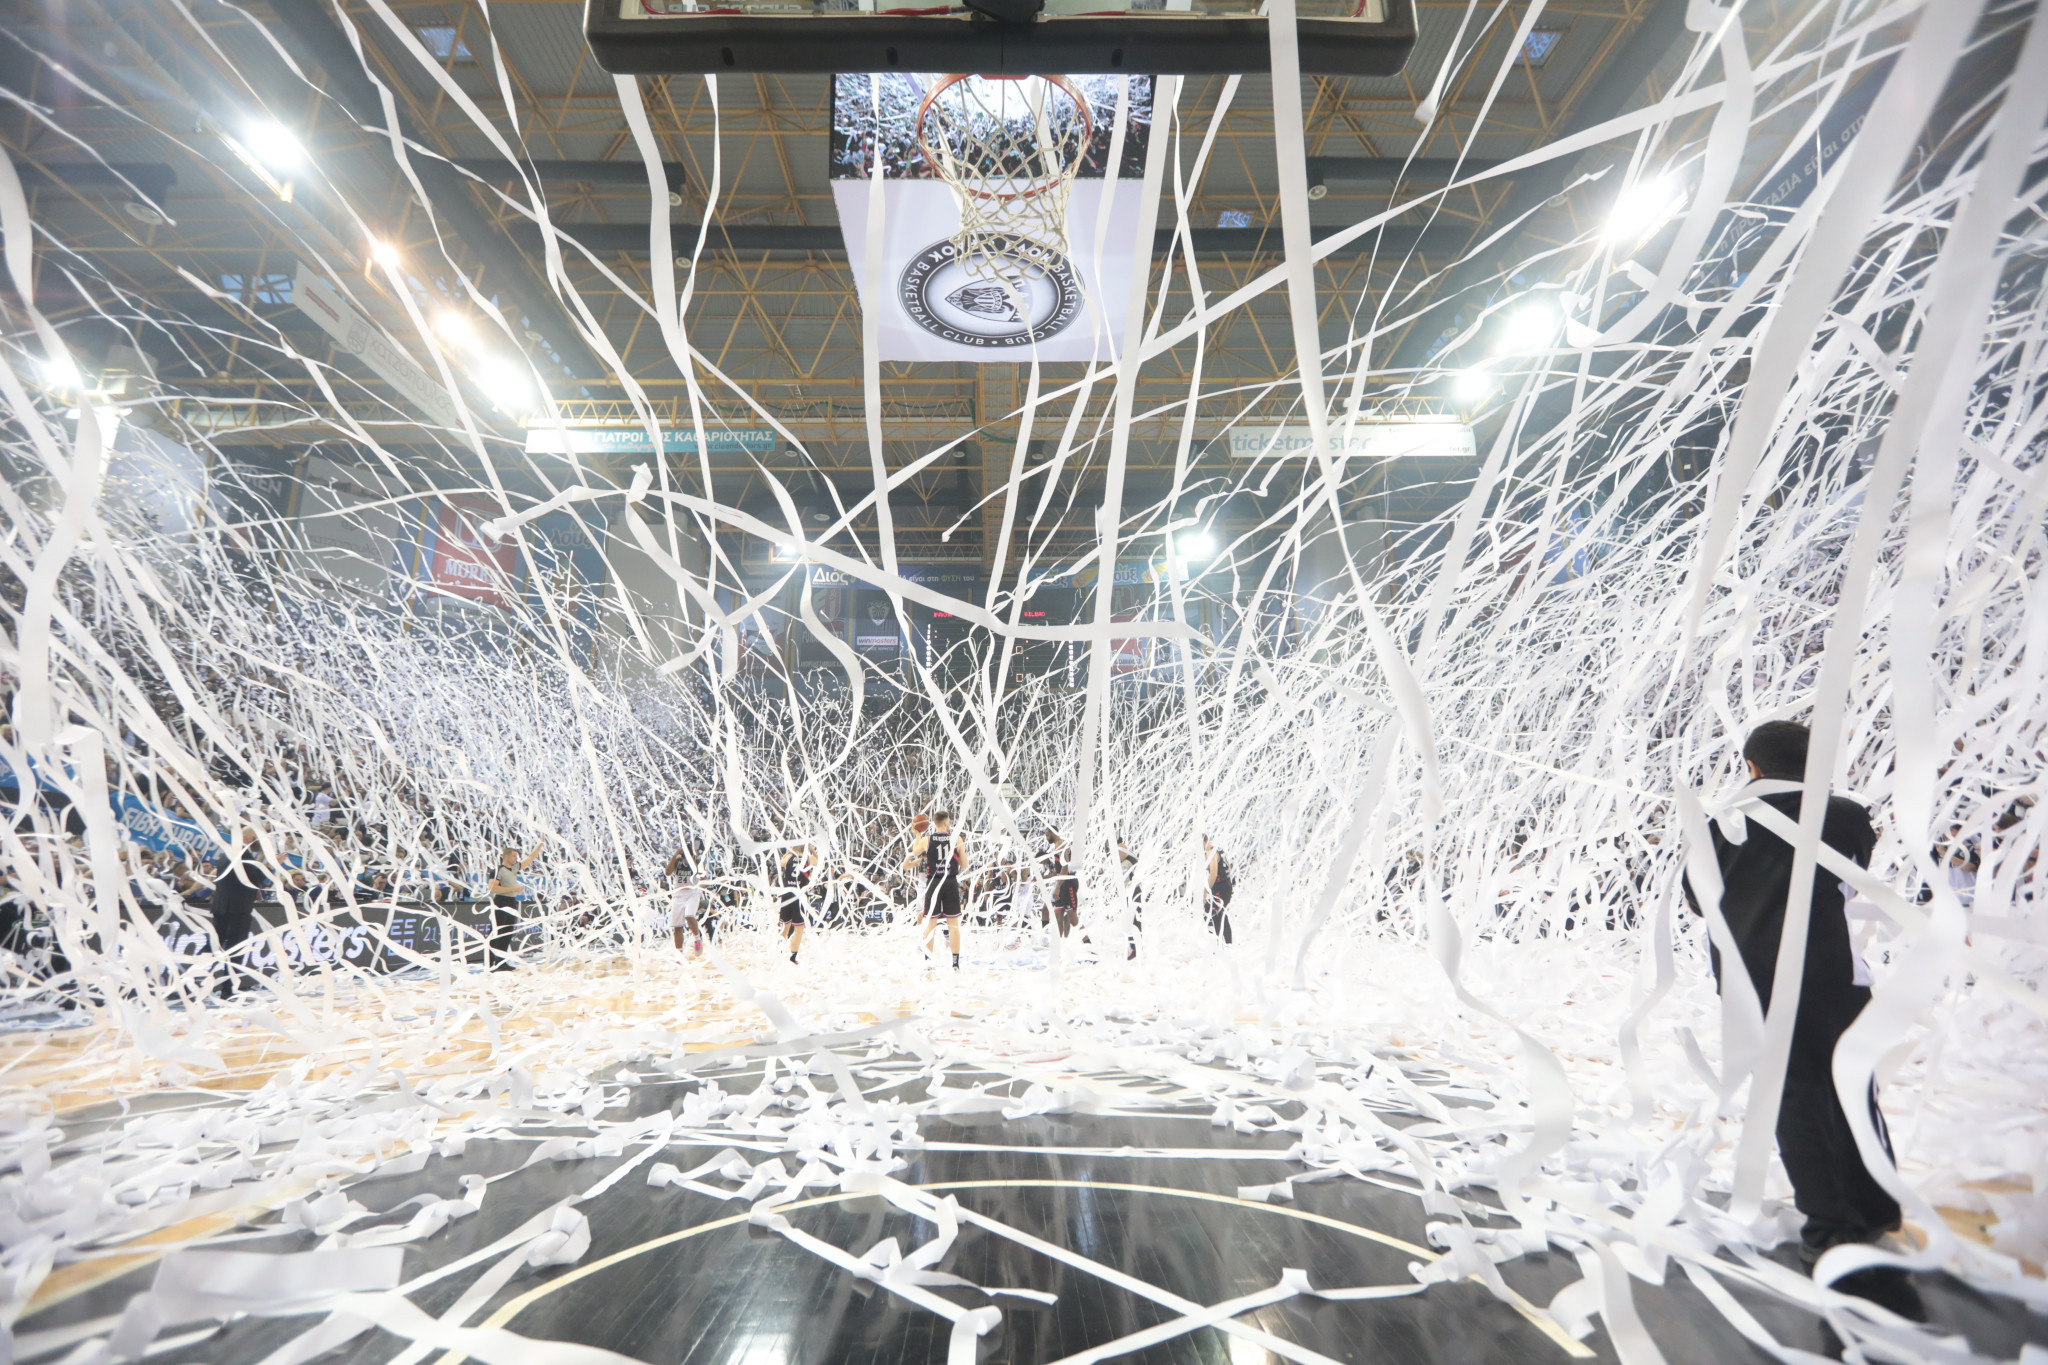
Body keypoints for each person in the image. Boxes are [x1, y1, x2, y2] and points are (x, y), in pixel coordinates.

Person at [1684, 721, 1905, 1275]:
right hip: (1832, 976)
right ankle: (1875, 1207)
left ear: (1751, 767)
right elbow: (1853, 877)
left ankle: (1829, 1227)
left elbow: (1695, 898)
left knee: (1794, 1098)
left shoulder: (1722, 823)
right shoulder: (1846, 815)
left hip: (1749, 982)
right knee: (1852, 1088)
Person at [211, 826, 269, 998]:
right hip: (237, 908)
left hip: (222, 907)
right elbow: (253, 879)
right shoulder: (243, 854)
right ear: (250, 838)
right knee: (235, 950)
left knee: (214, 947)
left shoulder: (226, 853)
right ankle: (228, 990)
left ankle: (194, 985)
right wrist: (271, 865)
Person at [906, 810, 966, 969]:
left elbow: (914, 852)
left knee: (930, 925)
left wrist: (918, 834)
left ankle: (928, 964)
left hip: (933, 884)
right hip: (950, 883)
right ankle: (955, 965)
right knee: (953, 925)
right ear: (947, 823)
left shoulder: (928, 839)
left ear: (934, 823)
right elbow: (965, 865)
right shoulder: (956, 838)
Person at [487, 842, 541, 971]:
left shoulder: (514, 868)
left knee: (507, 933)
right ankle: (491, 962)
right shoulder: (498, 870)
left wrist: (539, 846)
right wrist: (513, 888)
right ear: (506, 856)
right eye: (514, 856)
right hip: (501, 902)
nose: (516, 859)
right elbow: (492, 888)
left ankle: (502, 961)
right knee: (497, 933)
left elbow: (528, 859)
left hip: (512, 901)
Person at [667, 849, 707, 957]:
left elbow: (703, 878)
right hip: (678, 894)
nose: (685, 860)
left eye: (687, 857)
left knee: (689, 915)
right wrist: (675, 855)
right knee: (677, 927)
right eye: (684, 857)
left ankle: (697, 939)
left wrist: (693, 862)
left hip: (693, 892)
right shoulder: (677, 861)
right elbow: (667, 872)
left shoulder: (698, 861)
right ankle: (679, 954)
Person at [775, 844, 810, 964]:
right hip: (799, 895)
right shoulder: (808, 858)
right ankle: (793, 957)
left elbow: (781, 862)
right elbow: (817, 861)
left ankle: (778, 952)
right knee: (799, 929)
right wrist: (812, 851)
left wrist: (789, 851)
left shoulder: (789, 857)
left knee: (784, 926)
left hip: (787, 894)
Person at [1204, 835, 1234, 943]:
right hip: (1226, 885)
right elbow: (1229, 869)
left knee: (1218, 916)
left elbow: (1213, 874)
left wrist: (1206, 891)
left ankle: (1224, 943)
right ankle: (1223, 943)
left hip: (1220, 887)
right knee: (1218, 915)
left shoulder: (1210, 853)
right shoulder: (1219, 850)